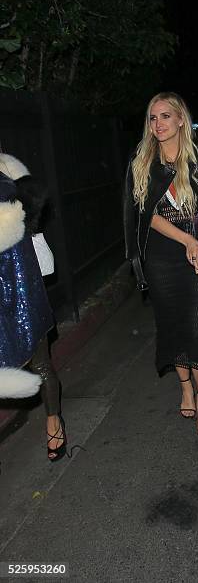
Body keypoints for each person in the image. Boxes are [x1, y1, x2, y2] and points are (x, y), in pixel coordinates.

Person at [124, 92, 198, 435]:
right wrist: (188, 240)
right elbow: (144, 215)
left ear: (181, 120)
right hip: (162, 257)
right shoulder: (142, 162)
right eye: (153, 117)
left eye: (165, 116)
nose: (158, 124)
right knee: (173, 325)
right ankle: (186, 389)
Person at [0, 154, 66, 462]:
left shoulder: (15, 191)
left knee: (41, 365)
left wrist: (30, 232)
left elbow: (46, 264)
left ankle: (54, 421)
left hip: (24, 303)